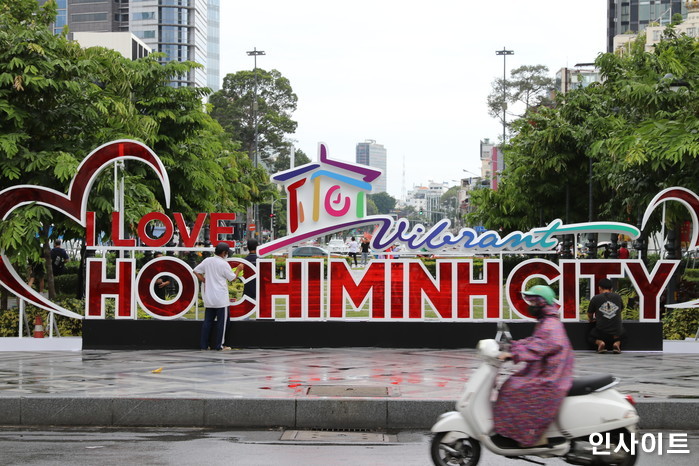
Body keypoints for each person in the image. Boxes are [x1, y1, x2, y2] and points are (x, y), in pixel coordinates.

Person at [492, 285, 574, 448]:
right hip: (546, 372)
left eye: (534, 302)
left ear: (542, 303)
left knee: (511, 388)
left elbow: (540, 346)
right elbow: (534, 341)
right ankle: (519, 432)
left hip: (551, 378)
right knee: (512, 383)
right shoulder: (547, 321)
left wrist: (514, 354)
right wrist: (513, 347)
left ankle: (529, 436)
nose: (531, 306)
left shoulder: (550, 325)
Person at [193, 243, 240, 351]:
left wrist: (204, 280)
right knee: (222, 324)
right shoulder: (223, 264)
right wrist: (238, 269)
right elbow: (232, 278)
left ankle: (204, 345)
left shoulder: (207, 261)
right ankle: (219, 345)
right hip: (221, 298)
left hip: (209, 297)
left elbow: (195, 270)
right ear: (224, 253)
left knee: (207, 322)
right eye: (227, 253)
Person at [587, 278, 626, 354]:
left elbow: (589, 314)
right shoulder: (618, 297)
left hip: (601, 333)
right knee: (624, 335)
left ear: (599, 288)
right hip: (616, 334)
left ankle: (600, 343)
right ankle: (616, 343)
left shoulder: (596, 298)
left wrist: (591, 319)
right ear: (611, 289)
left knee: (590, 336)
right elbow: (620, 309)